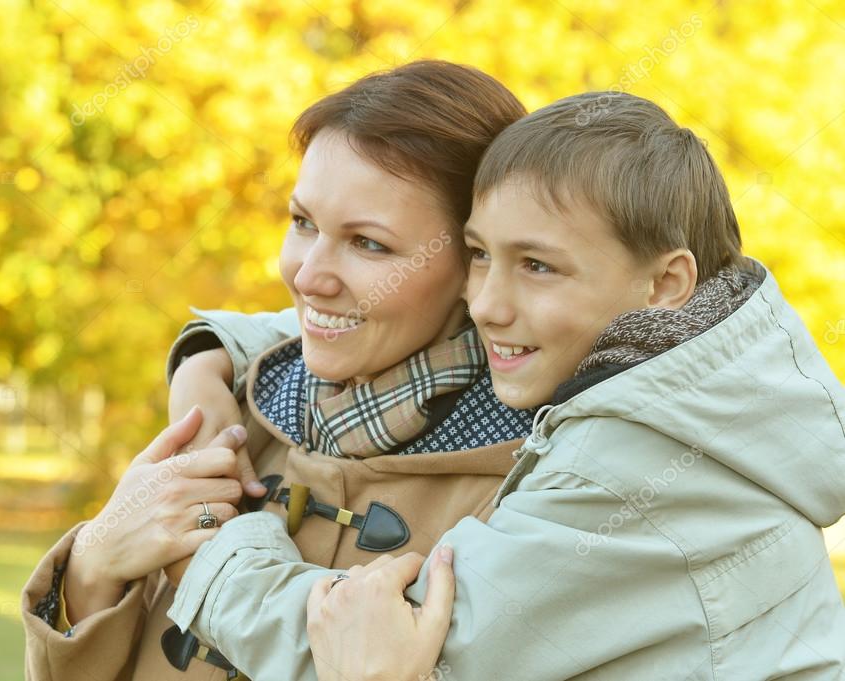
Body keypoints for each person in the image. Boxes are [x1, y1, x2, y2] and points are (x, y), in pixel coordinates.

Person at [162, 92, 845, 680]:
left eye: (537, 266)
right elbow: (363, 310)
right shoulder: (698, 386)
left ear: (665, 284)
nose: (486, 302)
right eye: (480, 255)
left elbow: (380, 646)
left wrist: (210, 540)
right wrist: (212, 351)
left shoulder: (629, 469)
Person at [21, 60, 531, 681]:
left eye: (369, 243)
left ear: (476, 263)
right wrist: (93, 570)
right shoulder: (236, 419)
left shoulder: (530, 494)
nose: (307, 275)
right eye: (302, 223)